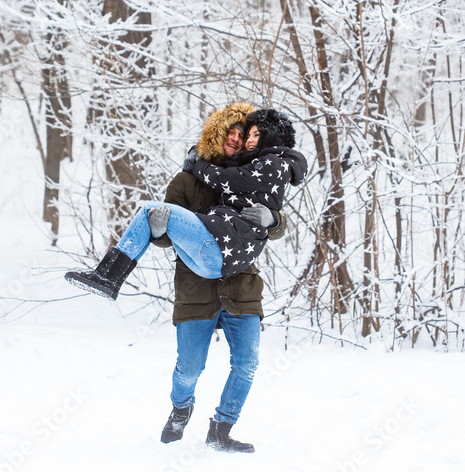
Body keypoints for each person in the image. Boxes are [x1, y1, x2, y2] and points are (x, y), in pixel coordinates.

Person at [65, 105, 307, 452]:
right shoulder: (186, 180)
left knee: (248, 363)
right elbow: (162, 235)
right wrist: (162, 231)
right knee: (190, 369)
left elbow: (272, 220)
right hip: (196, 287)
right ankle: (181, 410)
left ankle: (221, 430)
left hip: (241, 286)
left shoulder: (251, 170)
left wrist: (274, 221)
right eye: (233, 135)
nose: (238, 141)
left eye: (246, 136)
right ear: (216, 136)